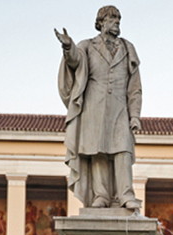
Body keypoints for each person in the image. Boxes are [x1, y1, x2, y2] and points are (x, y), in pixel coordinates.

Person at [55, 5, 142, 210]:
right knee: (98, 151)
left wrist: (135, 115)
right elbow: (75, 61)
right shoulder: (87, 46)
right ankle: (101, 195)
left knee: (123, 150)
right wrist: (68, 47)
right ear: (101, 22)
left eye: (118, 18)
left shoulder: (128, 49)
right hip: (94, 107)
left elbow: (135, 87)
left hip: (120, 108)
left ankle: (125, 195)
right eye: (112, 18)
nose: (116, 22)